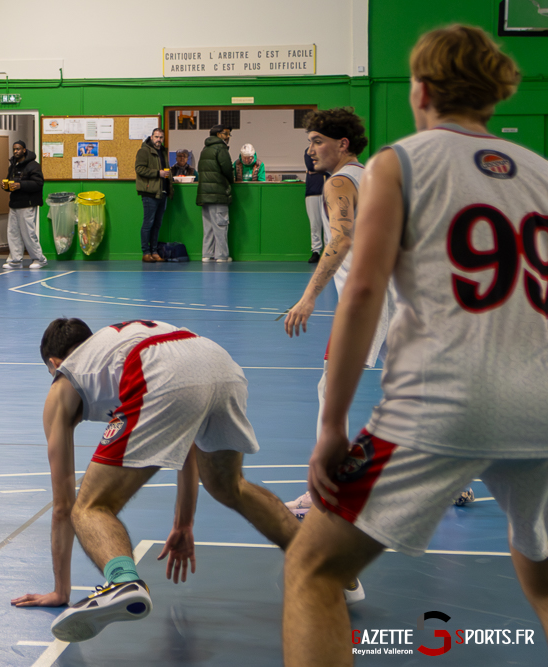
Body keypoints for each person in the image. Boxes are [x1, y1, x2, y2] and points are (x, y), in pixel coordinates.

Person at [283, 25, 548, 666]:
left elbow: (366, 289)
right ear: (492, 95)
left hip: (446, 399)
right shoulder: (542, 172)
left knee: (313, 570)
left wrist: (331, 425)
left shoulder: (398, 163)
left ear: (422, 89)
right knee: (541, 576)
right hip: (540, 403)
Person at [14, 318, 361, 643]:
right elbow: (187, 438)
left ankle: (122, 582)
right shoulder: (112, 348)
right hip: (218, 364)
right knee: (229, 486)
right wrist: (184, 522)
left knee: (90, 507)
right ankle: (333, 569)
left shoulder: (65, 383)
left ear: (55, 364)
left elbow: (63, 506)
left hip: (161, 373)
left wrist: (61, 591)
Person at [282, 108, 403, 518]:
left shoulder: (337, 182)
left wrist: (308, 296)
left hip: (367, 299)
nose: (310, 149)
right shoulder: (370, 176)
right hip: (397, 294)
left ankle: (324, 493)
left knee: (329, 390)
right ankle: (451, 479)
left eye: (317, 141)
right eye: (309, 141)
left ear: (342, 144)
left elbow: (342, 238)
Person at [0, 141, 47, 270]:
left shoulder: (33, 166)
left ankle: (39, 259)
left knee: (28, 233)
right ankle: (15, 261)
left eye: (18, 149)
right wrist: (6, 187)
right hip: (15, 203)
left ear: (24, 150)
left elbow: (38, 183)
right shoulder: (13, 166)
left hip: (28, 204)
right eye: (14, 149)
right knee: (13, 232)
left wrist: (21, 185)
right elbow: (11, 182)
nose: (16, 151)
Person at [196, 125, 234, 263]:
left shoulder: (205, 149)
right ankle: (221, 255)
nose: (228, 137)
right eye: (226, 134)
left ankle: (207, 254)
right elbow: (227, 168)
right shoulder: (221, 148)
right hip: (217, 194)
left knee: (209, 227)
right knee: (221, 225)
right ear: (218, 134)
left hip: (204, 195)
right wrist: (231, 180)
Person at [135, 128, 172, 263]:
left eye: (161, 137)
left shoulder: (163, 151)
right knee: (148, 223)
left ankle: (154, 251)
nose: (158, 140)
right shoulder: (144, 151)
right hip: (149, 192)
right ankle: (146, 252)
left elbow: (166, 170)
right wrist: (158, 173)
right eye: (156, 137)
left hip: (162, 192)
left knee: (157, 224)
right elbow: (139, 169)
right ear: (151, 137)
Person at [303, 151, 325, 264]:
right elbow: (310, 166)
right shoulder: (308, 152)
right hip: (312, 193)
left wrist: (318, 168)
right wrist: (324, 168)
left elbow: (333, 168)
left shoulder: (329, 149)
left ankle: (329, 252)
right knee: (315, 224)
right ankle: (316, 251)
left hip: (328, 192)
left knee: (329, 224)